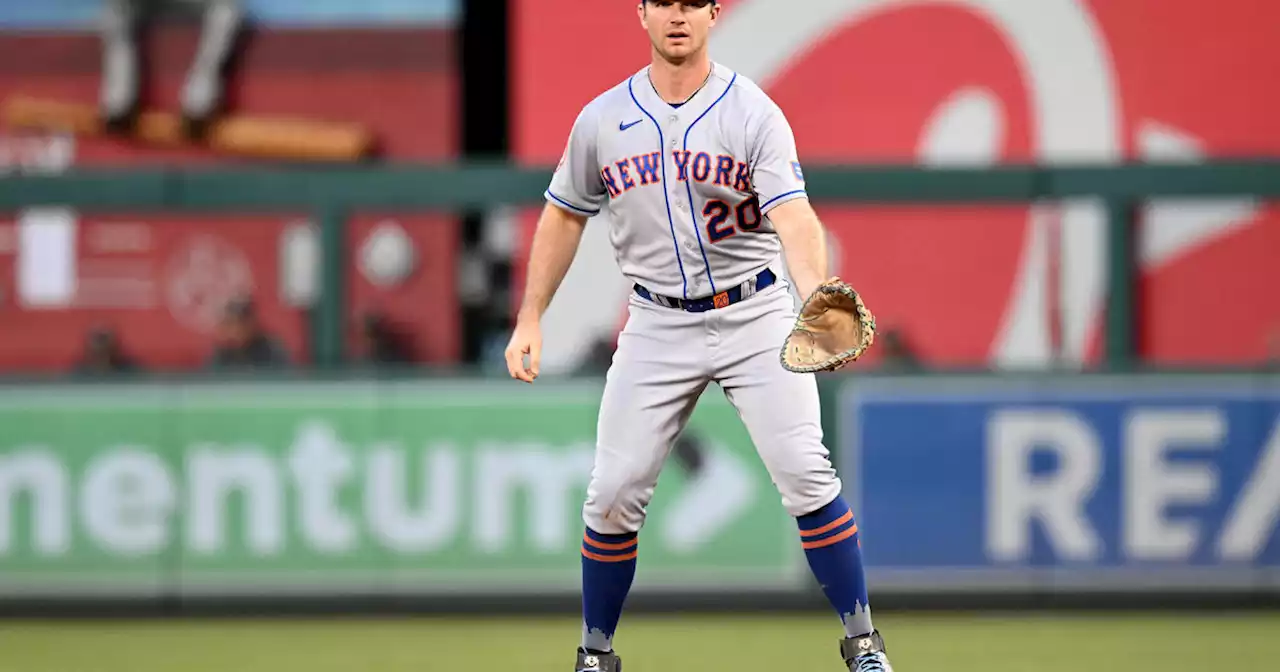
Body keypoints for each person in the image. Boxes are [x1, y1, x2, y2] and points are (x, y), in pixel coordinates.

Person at [503, 2, 895, 671]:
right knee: (613, 491)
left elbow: (794, 218)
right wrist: (531, 313)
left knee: (805, 472)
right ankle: (596, 654)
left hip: (755, 310)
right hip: (657, 321)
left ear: (715, 12)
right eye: (664, 2)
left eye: (691, 2)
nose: (677, 16)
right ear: (642, 13)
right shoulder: (602, 120)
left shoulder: (752, 112)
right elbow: (564, 215)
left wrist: (813, 295)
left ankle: (863, 644)